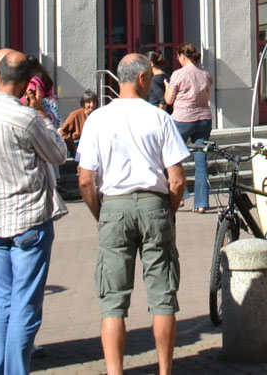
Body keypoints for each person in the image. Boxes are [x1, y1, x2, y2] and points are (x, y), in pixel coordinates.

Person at [78, 54, 190, 375]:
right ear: (142, 79)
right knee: (163, 296)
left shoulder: (98, 118)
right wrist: (167, 210)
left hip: (113, 204)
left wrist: (99, 212)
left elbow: (86, 178)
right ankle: (165, 370)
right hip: (155, 203)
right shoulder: (159, 117)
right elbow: (178, 179)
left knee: (112, 300)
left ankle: (115, 371)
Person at [0, 51, 68, 375]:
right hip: (28, 219)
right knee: (24, 307)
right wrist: (41, 113)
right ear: (26, 83)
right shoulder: (24, 118)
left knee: (2, 304)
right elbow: (58, 153)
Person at [162, 43, 213, 212]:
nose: (178, 60)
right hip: (204, 118)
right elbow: (207, 95)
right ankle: (201, 204)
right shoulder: (205, 74)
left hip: (183, 119)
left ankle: (180, 196)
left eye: (178, 57)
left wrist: (167, 87)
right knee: (201, 161)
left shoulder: (178, 74)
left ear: (182, 56)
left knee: (173, 157)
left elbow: (169, 100)